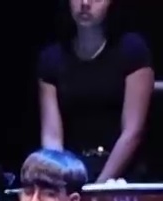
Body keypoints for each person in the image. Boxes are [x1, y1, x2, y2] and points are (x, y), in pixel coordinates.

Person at [36, 0, 154, 182]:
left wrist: (100, 186)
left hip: (122, 175)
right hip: (73, 171)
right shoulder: (52, 58)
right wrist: (60, 180)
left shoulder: (132, 50)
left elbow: (132, 131)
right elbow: (52, 137)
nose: (84, 3)